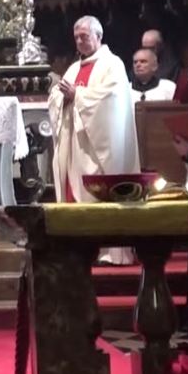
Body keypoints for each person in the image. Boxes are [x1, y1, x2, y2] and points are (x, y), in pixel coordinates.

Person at [48, 15, 139, 266]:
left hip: (99, 145)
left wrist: (78, 95)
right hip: (75, 144)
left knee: (98, 192)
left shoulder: (113, 64)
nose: (79, 41)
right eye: (76, 37)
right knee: (74, 189)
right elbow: (57, 95)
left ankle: (109, 251)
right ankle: (76, 248)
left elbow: (111, 99)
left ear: (98, 36)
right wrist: (62, 97)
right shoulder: (74, 68)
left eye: (84, 36)